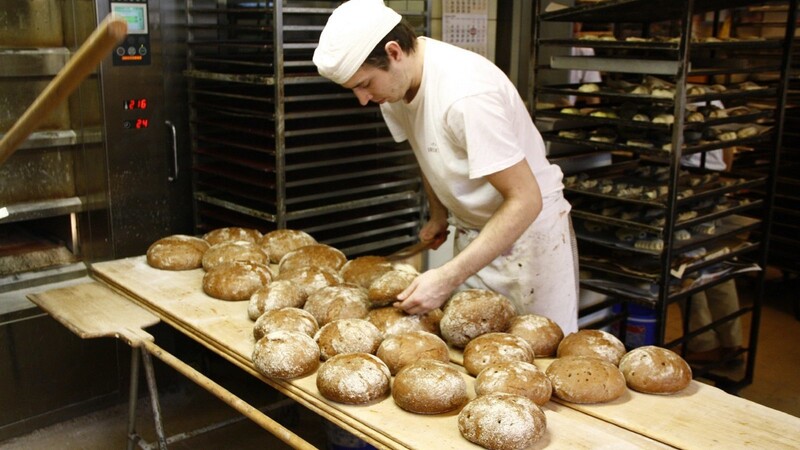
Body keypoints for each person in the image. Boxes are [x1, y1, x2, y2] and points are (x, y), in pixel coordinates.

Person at [313, 0, 579, 334]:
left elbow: (527, 199)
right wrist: (439, 213)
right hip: (474, 233)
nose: (362, 99)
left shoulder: (465, 95)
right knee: (476, 350)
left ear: (394, 52)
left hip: (529, 239)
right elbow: (426, 150)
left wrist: (448, 276)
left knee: (538, 358)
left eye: (364, 84)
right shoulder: (395, 89)